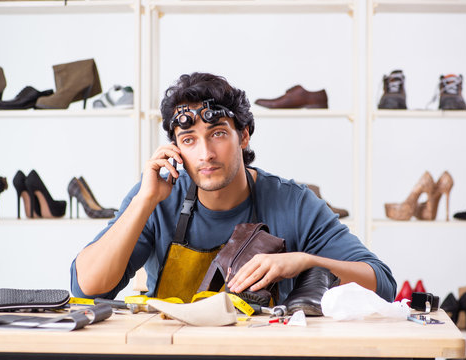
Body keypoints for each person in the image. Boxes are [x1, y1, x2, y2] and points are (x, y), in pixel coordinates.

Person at [70, 72, 396, 303]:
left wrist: (306, 261)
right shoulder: (156, 197)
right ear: (176, 150)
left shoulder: (294, 203)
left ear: (243, 136)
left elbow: (382, 284)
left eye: (218, 133)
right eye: (189, 140)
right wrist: (144, 202)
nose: (205, 153)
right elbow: (86, 289)